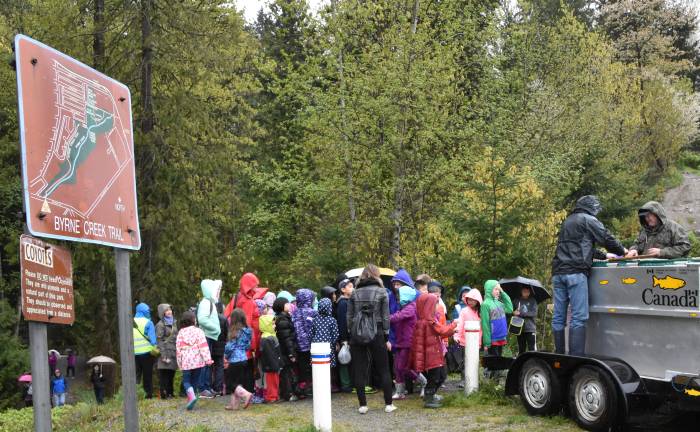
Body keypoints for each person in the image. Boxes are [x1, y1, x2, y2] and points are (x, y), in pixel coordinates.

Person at [552, 195, 626, 355]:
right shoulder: (588, 220)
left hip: (558, 273)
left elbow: (581, 247)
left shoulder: (568, 221)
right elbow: (606, 238)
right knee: (578, 317)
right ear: (592, 208)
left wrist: (604, 256)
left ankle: (559, 355)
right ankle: (575, 358)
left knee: (558, 317)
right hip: (575, 273)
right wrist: (623, 251)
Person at [347, 264, 397, 414]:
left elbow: (349, 317)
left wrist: (351, 333)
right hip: (378, 331)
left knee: (359, 369)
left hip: (357, 333)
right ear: (376, 275)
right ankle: (388, 404)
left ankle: (362, 405)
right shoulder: (382, 292)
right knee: (383, 368)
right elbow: (386, 316)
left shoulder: (354, 293)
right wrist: (386, 335)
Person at [412, 293, 457, 409]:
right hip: (432, 357)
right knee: (435, 377)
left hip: (433, 355)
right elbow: (443, 331)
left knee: (441, 375)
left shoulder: (423, 321)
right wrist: (453, 326)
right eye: (435, 304)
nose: (437, 307)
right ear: (428, 307)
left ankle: (432, 394)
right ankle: (429, 398)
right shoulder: (429, 322)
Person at [225, 273, 262, 393]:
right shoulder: (247, 301)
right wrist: (252, 344)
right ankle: (247, 393)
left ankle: (242, 393)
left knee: (241, 367)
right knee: (247, 367)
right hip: (247, 340)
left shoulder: (239, 297)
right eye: (254, 286)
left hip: (238, 336)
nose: (256, 289)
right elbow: (248, 322)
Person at [626, 201, 690, 259]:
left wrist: (662, 252)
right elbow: (637, 244)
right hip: (645, 267)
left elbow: (685, 247)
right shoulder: (644, 230)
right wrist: (633, 250)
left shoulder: (674, 228)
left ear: (657, 214)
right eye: (645, 216)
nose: (647, 219)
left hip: (667, 268)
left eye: (649, 215)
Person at [176, 310, 213, 410]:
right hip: (198, 361)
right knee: (195, 381)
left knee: (186, 382)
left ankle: (191, 398)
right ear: (193, 320)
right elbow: (204, 346)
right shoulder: (199, 331)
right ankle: (191, 398)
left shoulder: (181, 333)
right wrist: (208, 359)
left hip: (186, 361)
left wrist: (179, 363)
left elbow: (178, 349)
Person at [390, 285, 418, 400]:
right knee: (397, 367)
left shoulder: (411, 307)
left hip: (408, 342)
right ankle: (399, 391)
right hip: (400, 341)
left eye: (399, 295)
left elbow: (398, 317)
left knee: (404, 367)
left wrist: (386, 318)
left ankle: (423, 382)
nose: (397, 297)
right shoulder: (404, 307)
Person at [224, 309, 254, 410]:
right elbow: (248, 346)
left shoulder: (234, 331)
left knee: (230, 383)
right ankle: (234, 405)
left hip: (234, 360)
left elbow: (229, 347)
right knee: (236, 382)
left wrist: (226, 355)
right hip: (244, 358)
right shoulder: (247, 331)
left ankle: (246, 395)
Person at [197, 279, 221, 399]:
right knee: (204, 363)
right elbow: (202, 319)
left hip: (209, 336)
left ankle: (206, 387)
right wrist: (216, 329)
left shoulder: (209, 302)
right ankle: (202, 388)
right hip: (206, 335)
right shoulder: (206, 303)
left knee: (207, 363)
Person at [292, 288, 318, 397]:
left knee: (302, 366)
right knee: (313, 365)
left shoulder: (295, 312)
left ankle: (303, 385)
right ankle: (312, 385)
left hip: (299, 345)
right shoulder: (312, 312)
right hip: (312, 344)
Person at [273, 297, 299, 401]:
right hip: (284, 351)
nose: (289, 305)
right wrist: (291, 353)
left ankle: (288, 393)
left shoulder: (284, 317)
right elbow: (286, 338)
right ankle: (288, 394)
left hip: (284, 350)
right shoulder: (282, 319)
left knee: (287, 371)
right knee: (286, 372)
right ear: (281, 306)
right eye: (287, 303)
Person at [311, 298, 339, 391]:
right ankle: (328, 386)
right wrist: (334, 343)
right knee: (328, 366)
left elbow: (311, 333)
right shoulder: (332, 320)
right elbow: (335, 335)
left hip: (316, 345)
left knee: (317, 366)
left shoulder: (315, 319)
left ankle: (318, 386)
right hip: (328, 345)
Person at [480, 280, 513, 357]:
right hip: (493, 339)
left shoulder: (499, 303)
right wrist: (487, 343)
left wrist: (503, 293)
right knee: (493, 362)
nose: (498, 291)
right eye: (496, 289)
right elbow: (485, 325)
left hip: (501, 337)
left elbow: (510, 309)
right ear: (489, 290)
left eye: (499, 289)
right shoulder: (485, 305)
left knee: (499, 361)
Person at [133, 302, 157, 399]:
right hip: (147, 353)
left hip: (134, 353)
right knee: (147, 375)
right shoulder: (148, 322)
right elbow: (153, 339)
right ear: (144, 312)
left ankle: (135, 395)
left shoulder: (131, 321)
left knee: (136, 375)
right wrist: (155, 348)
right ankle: (148, 395)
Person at [335, 278, 354, 393]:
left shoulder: (349, 301)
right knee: (344, 359)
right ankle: (346, 384)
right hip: (345, 338)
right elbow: (342, 322)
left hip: (350, 336)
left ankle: (350, 383)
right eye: (350, 286)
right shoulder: (342, 303)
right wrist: (344, 339)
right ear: (343, 289)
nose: (352, 288)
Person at [156, 303, 178, 399]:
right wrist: (163, 355)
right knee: (164, 374)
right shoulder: (160, 325)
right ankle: (164, 393)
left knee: (171, 373)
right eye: (166, 310)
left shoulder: (174, 323)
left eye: (170, 310)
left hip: (173, 351)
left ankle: (170, 392)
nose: (169, 312)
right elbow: (159, 340)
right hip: (165, 351)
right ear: (162, 313)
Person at [259, 313, 282, 403]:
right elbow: (269, 355)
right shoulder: (266, 338)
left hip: (274, 364)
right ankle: (271, 397)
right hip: (271, 365)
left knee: (275, 381)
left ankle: (274, 396)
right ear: (266, 325)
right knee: (272, 382)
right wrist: (275, 365)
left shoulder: (271, 335)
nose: (274, 325)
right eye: (272, 324)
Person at [513, 287, 538, 355]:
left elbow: (534, 313)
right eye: (524, 291)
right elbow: (511, 311)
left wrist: (521, 313)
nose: (526, 293)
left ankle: (533, 363)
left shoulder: (533, 301)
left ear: (530, 292)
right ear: (521, 291)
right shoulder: (516, 300)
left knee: (532, 349)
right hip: (519, 328)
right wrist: (513, 312)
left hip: (530, 328)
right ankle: (521, 364)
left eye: (528, 292)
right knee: (521, 349)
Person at [212, 302, 228, 396]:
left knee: (209, 368)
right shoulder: (224, 318)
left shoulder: (210, 318)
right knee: (219, 367)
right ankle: (218, 388)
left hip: (211, 345)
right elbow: (227, 332)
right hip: (221, 345)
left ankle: (209, 387)